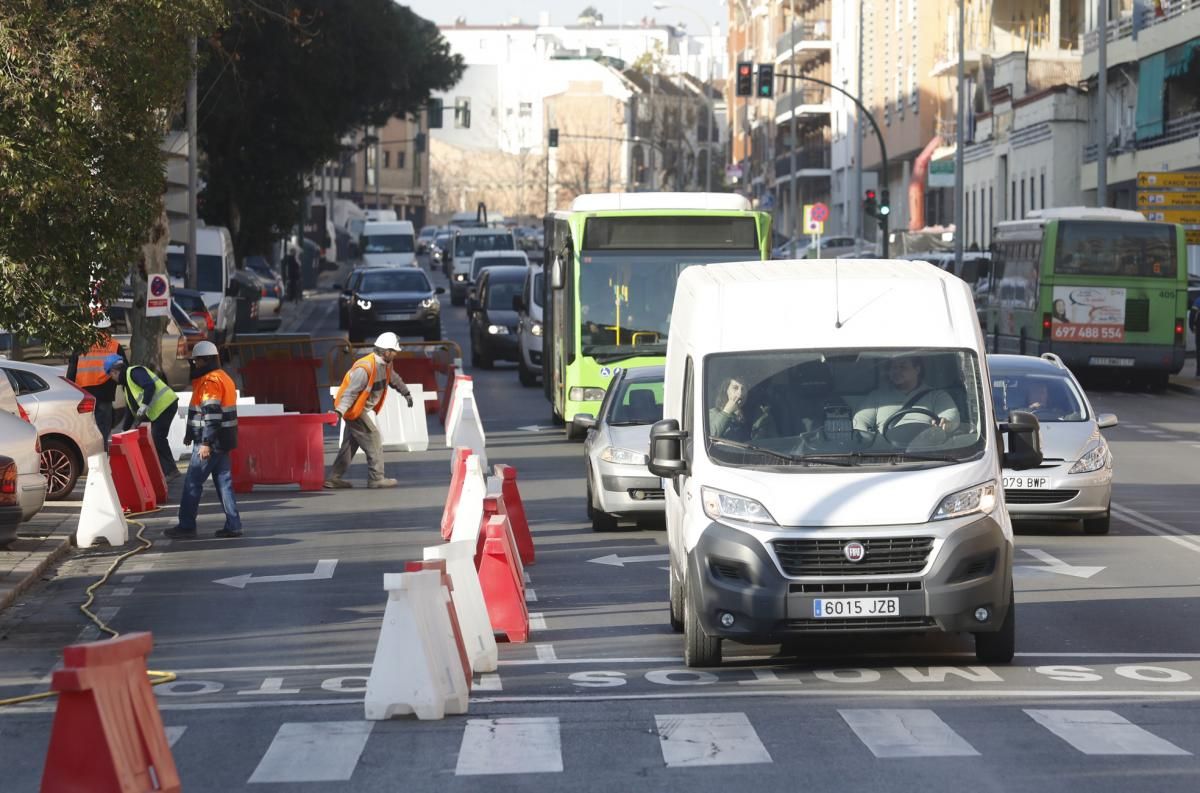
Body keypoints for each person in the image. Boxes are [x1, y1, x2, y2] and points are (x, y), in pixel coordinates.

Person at [166, 340, 242, 539]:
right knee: (224, 484)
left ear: (205, 361)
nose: (194, 366)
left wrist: (205, 442)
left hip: (210, 443)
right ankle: (234, 525)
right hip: (223, 441)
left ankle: (186, 525)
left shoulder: (210, 382)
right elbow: (202, 413)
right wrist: (190, 434)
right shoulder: (223, 377)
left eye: (197, 362)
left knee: (192, 483)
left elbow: (212, 415)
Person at [325, 332, 413, 489]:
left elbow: (393, 378)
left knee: (350, 445)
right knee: (373, 438)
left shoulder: (386, 364)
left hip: (359, 409)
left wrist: (405, 392)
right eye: (394, 351)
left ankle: (333, 478)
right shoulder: (365, 368)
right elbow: (349, 393)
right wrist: (339, 412)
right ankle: (376, 478)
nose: (396, 354)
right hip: (353, 410)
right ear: (386, 351)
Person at [853, 355, 960, 442]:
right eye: (893, 367)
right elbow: (860, 421)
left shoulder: (937, 395)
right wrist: (871, 440)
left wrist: (946, 423)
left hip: (926, 451)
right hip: (887, 453)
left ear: (917, 369)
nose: (896, 371)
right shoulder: (877, 396)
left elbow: (950, 417)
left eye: (902, 367)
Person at [106, 358, 180, 481]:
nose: (112, 379)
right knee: (155, 438)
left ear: (114, 372)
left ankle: (171, 470)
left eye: (110, 376)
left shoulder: (134, 372)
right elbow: (130, 411)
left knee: (157, 437)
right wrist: (125, 429)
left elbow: (149, 385)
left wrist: (145, 404)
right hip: (160, 410)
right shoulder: (127, 386)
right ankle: (165, 471)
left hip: (166, 405)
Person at [67, 316, 127, 447]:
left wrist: (70, 392)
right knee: (103, 430)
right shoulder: (114, 345)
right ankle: (102, 456)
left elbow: (71, 371)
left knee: (85, 428)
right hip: (105, 394)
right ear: (108, 328)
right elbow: (123, 371)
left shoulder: (81, 344)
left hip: (84, 393)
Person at [708, 375, 775, 442]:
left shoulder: (758, 415)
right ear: (726, 390)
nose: (740, 393)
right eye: (735, 388)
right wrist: (727, 411)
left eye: (743, 389)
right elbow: (709, 437)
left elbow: (773, 442)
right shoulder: (713, 414)